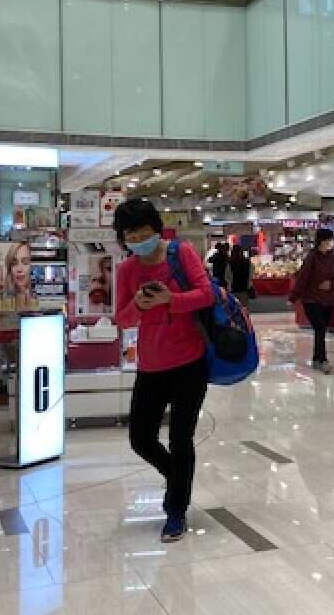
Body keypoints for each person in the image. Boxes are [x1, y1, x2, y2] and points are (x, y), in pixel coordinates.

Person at [113, 199, 215, 543]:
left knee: (180, 438)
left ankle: (175, 513)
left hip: (189, 362)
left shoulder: (181, 253)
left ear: (157, 228)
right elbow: (122, 319)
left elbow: (206, 295)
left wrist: (171, 299)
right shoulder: (127, 270)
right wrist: (139, 304)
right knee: (140, 438)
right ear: (123, 238)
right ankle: (177, 478)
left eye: (144, 230)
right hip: (151, 366)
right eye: (131, 233)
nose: (139, 237)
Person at [289, 229, 334, 373]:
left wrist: (331, 284)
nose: (330, 244)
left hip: (328, 300)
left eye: (331, 241)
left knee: (321, 329)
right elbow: (302, 279)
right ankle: (323, 360)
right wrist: (293, 297)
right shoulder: (312, 258)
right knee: (319, 327)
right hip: (311, 299)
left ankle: (316, 358)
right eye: (327, 241)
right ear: (320, 241)